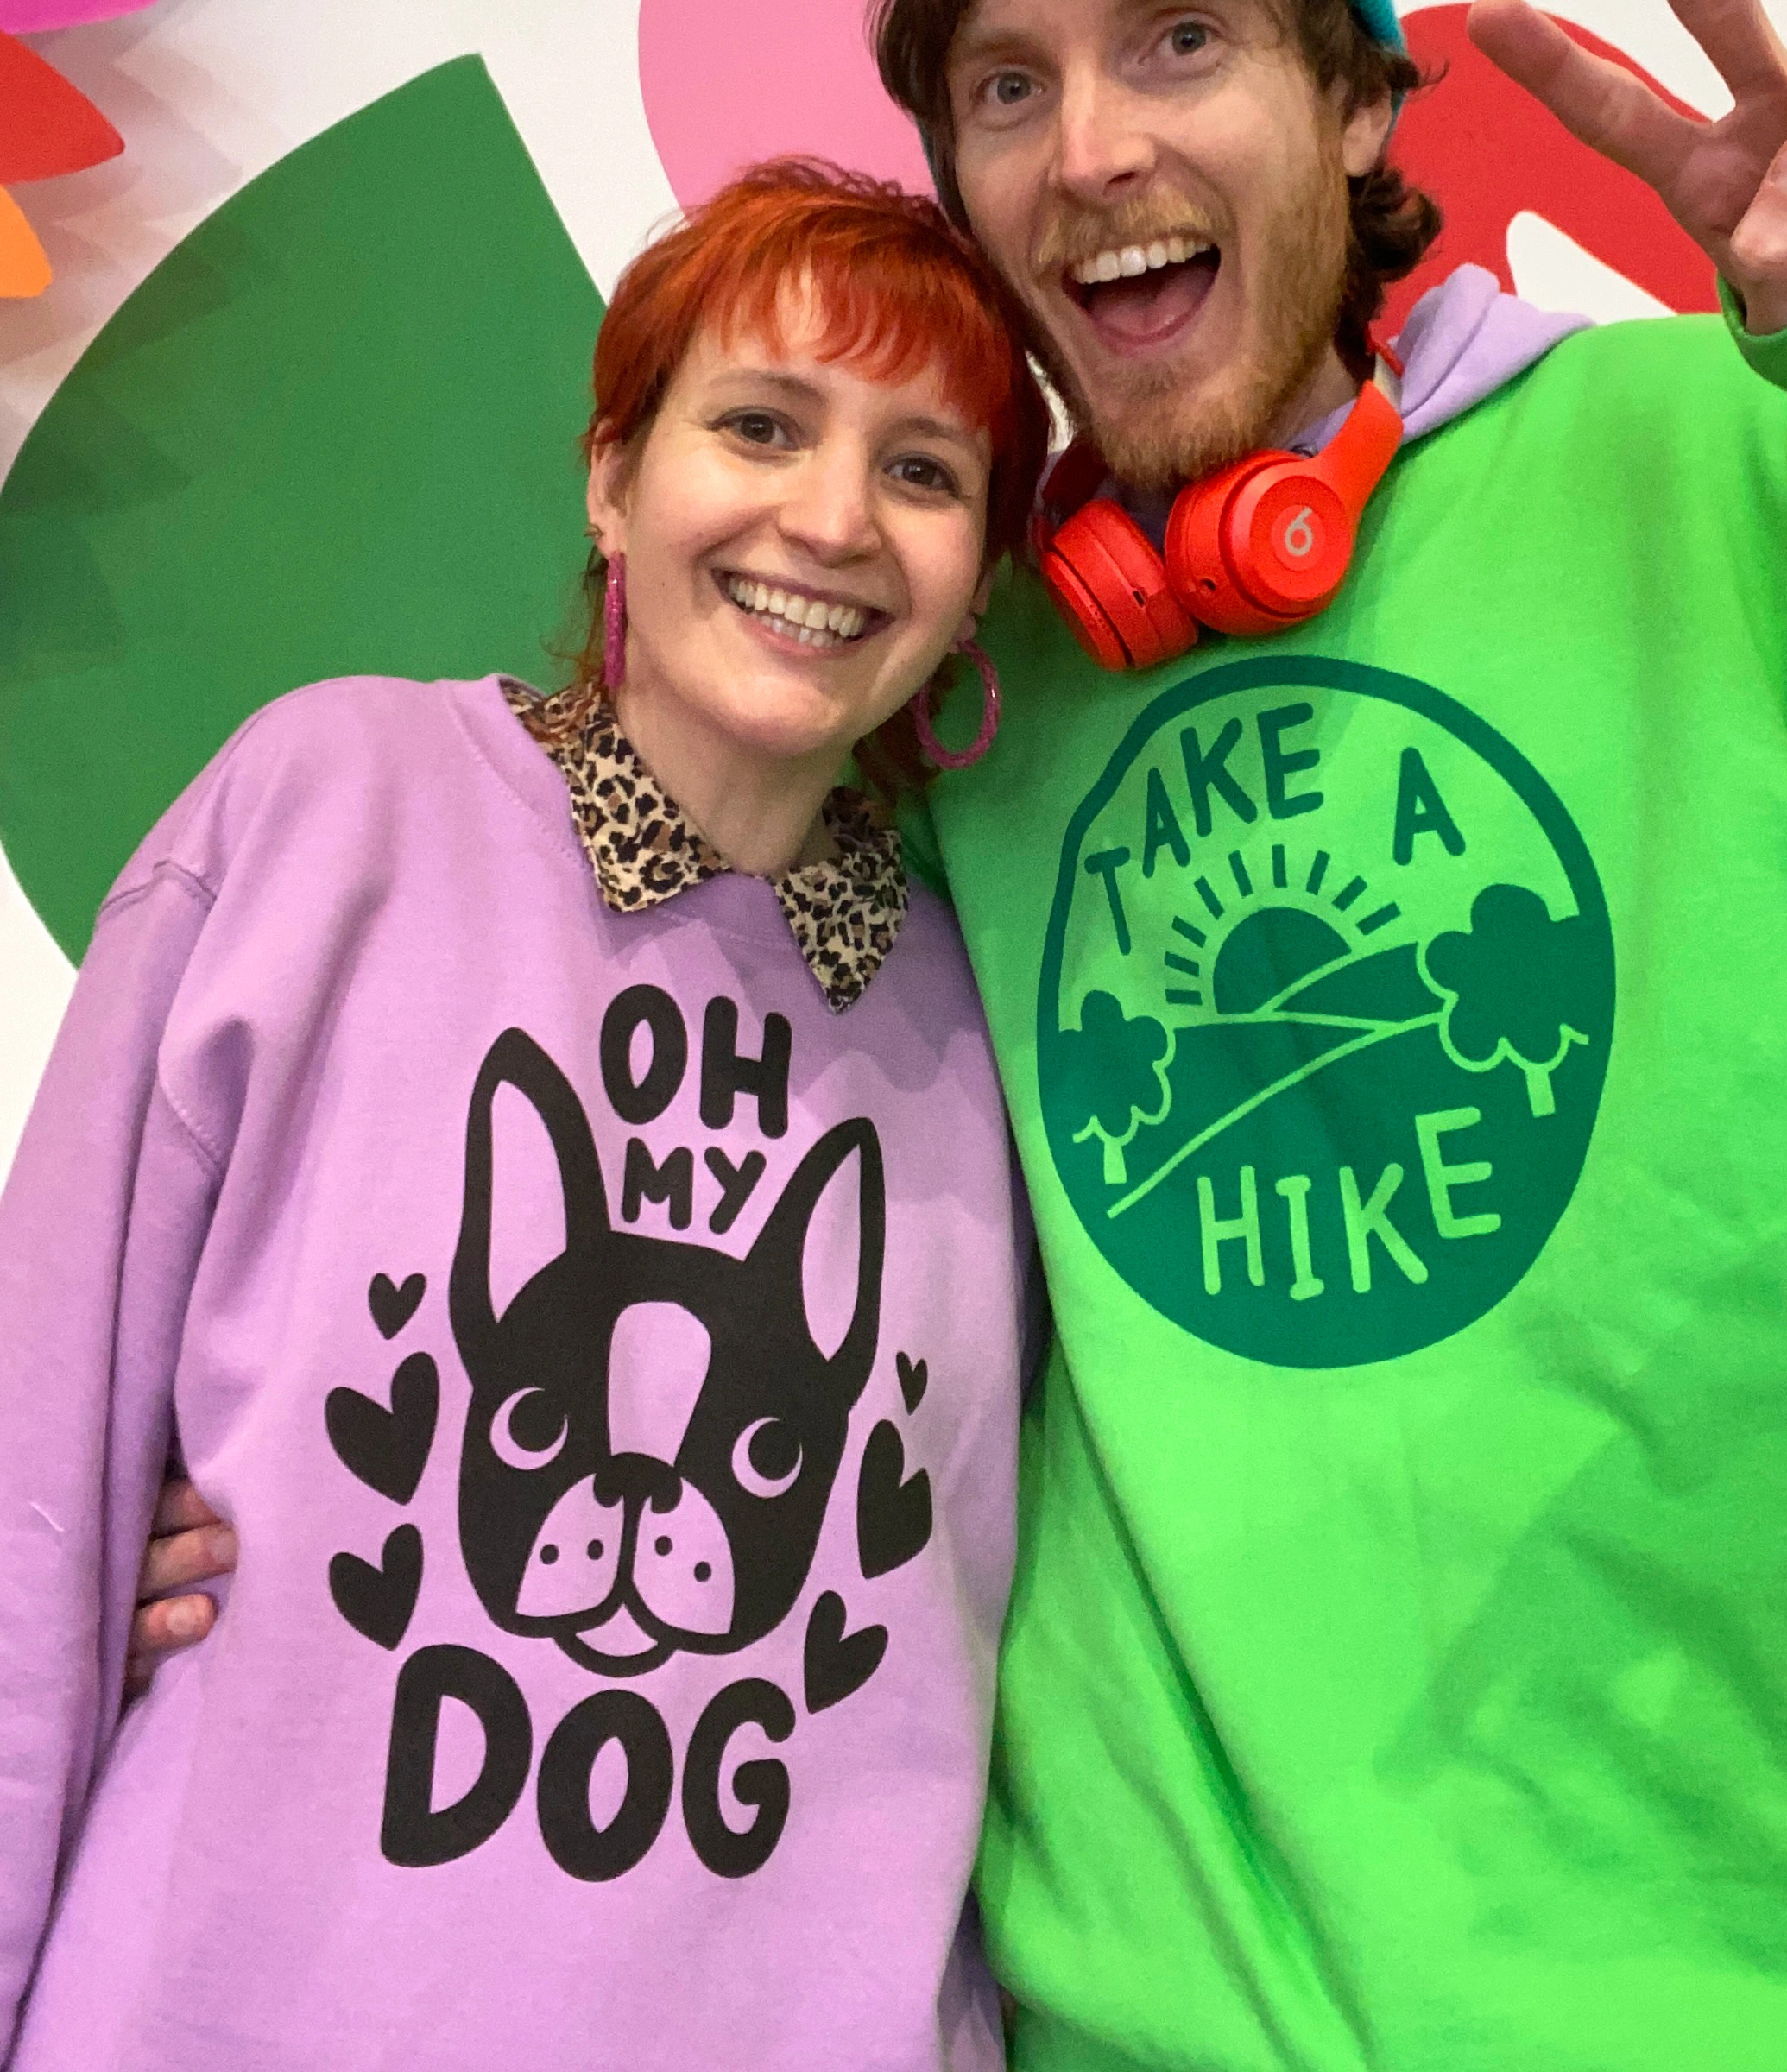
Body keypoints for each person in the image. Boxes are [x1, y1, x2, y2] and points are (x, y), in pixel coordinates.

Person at [141, 0, 1787, 2065]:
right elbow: (604, 1105)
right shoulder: (960, 676)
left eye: (1178, 39)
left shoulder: (1728, 459)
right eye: (1005, 83)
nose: (1090, 142)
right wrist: (214, 1491)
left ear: (1354, 104)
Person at [0, 160, 1050, 2071]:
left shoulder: (982, 1034)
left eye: (925, 469)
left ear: (980, 570)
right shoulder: (327, 809)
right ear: (610, 476)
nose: (831, 517)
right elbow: (31, 1476)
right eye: (758, 422)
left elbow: (946, 1670)